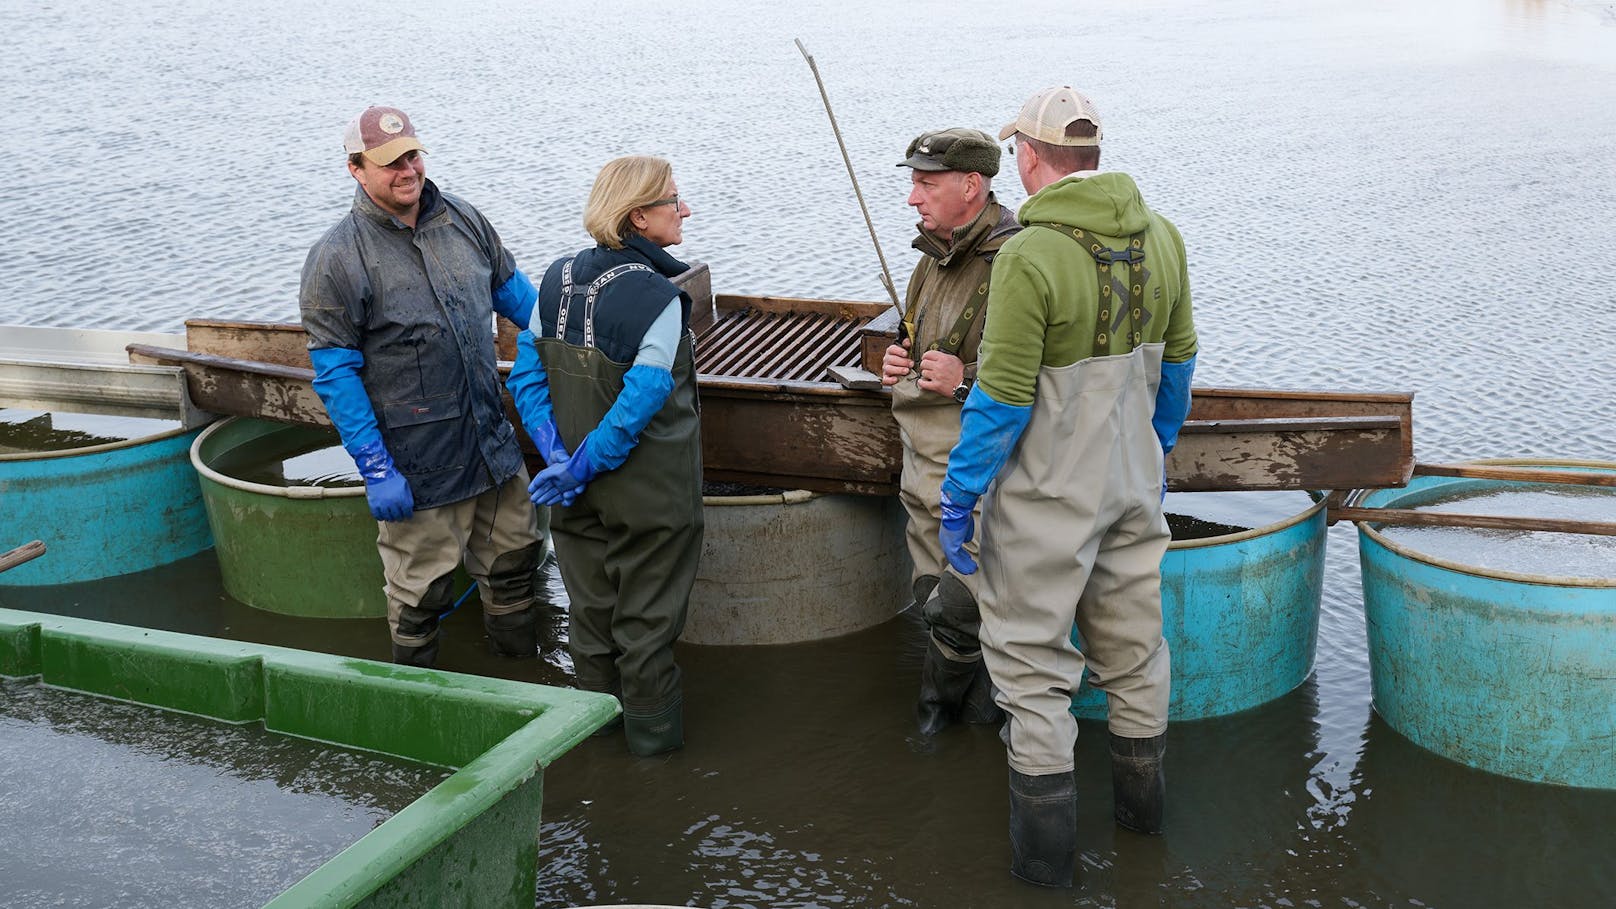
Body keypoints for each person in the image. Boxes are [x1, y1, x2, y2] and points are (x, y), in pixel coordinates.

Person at [938, 86, 1198, 886]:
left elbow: (1004, 396)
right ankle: (1142, 829)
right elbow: (1180, 367)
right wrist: (1150, 448)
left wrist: (957, 496)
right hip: (1131, 487)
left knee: (1031, 670)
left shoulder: (1029, 253)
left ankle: (1046, 876)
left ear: (1030, 157)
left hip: (1050, 498)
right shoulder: (1165, 236)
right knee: (1135, 653)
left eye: (1017, 150)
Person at [299, 105, 549, 669]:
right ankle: (416, 702)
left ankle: (523, 676)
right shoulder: (336, 258)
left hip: (493, 447)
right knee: (421, 597)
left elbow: (520, 301)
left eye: (412, 154)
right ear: (356, 170)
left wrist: (556, 339)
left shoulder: (464, 220)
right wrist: (375, 466)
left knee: (515, 566)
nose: (407, 170)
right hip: (417, 462)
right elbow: (335, 375)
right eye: (389, 162)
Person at [506, 156, 703, 757]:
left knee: (590, 617)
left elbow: (526, 374)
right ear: (639, 216)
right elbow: (643, 393)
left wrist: (557, 458)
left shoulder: (555, 278)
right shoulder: (657, 297)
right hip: (648, 495)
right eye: (674, 200)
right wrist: (588, 461)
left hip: (571, 493)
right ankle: (654, 755)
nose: (685, 209)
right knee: (645, 627)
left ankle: (594, 747)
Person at [881, 128, 1020, 735]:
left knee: (965, 605)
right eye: (913, 182)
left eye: (925, 183)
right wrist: (897, 359)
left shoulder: (1016, 260)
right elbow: (917, 341)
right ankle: (957, 719)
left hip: (975, 472)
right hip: (922, 472)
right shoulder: (931, 256)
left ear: (971, 185)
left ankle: (947, 720)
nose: (913, 197)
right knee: (935, 598)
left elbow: (1032, 376)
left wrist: (966, 379)